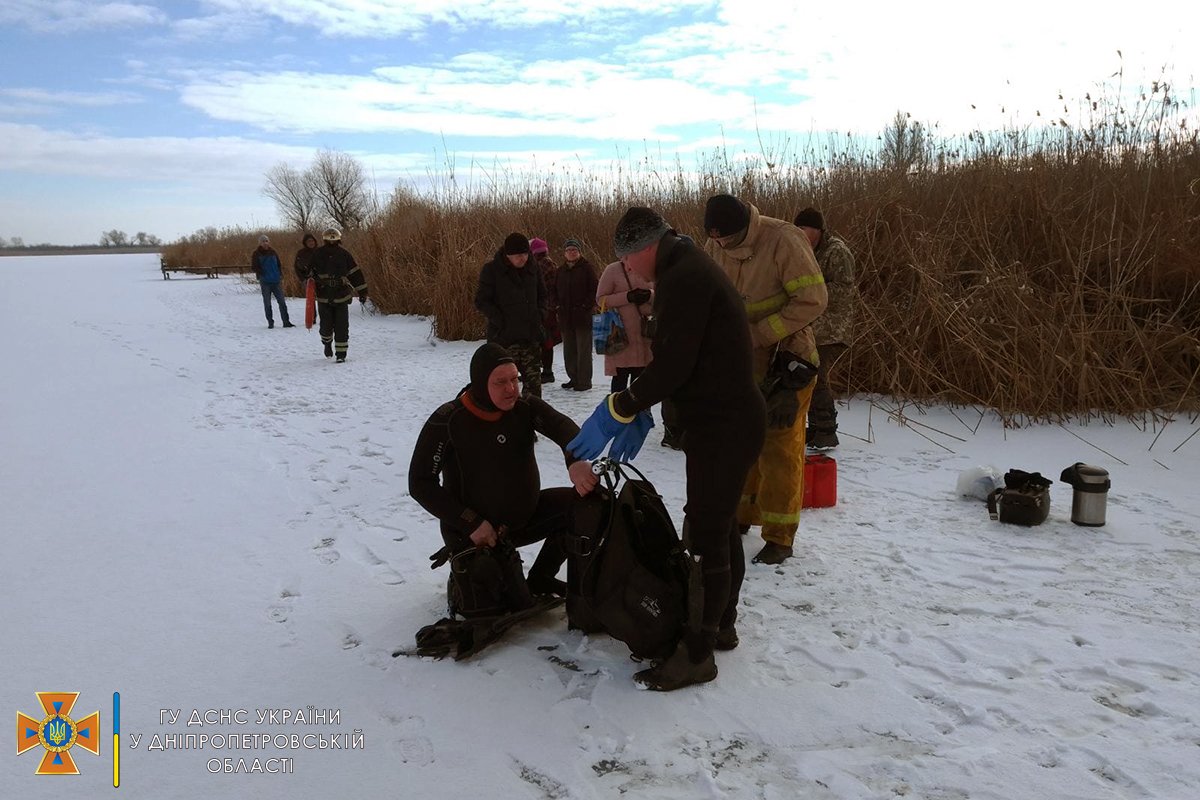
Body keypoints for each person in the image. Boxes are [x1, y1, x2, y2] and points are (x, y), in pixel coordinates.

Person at [569, 207, 766, 692]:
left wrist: (625, 404)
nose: (630, 271)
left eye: (629, 261)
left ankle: (697, 652)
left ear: (645, 247)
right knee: (712, 527)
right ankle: (720, 624)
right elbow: (687, 358)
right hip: (721, 421)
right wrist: (644, 404)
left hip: (725, 426)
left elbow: (674, 364)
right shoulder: (686, 269)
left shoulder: (686, 278)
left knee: (705, 534)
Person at [409, 343, 598, 598]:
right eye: (500, 382)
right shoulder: (450, 420)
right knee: (503, 603)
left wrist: (574, 460)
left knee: (590, 505)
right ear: (480, 383)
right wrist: (472, 523)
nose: (511, 389)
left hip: (523, 519)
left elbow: (562, 427)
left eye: (514, 379)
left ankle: (542, 577)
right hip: (474, 534)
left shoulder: (524, 406)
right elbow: (420, 483)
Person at [703, 194, 828, 565]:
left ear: (745, 227)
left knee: (779, 448)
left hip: (787, 363)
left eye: (728, 240)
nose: (721, 246)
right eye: (717, 241)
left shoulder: (784, 239)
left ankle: (779, 535)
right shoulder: (714, 243)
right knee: (740, 441)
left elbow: (813, 299)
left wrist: (757, 334)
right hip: (741, 366)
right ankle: (741, 516)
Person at [794, 207, 858, 450]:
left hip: (832, 328)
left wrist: (809, 294)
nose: (800, 233)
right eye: (797, 229)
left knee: (816, 377)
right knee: (808, 375)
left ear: (818, 230)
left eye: (804, 229)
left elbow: (844, 291)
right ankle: (818, 428)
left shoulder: (837, 252)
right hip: (812, 326)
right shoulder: (806, 250)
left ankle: (827, 432)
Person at [475, 233, 545, 398]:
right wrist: (500, 320)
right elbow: (481, 301)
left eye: (525, 254)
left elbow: (543, 296)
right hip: (504, 339)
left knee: (534, 387)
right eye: (518, 256)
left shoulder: (534, 268)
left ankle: (532, 419)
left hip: (530, 336)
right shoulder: (492, 270)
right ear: (508, 255)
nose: (522, 259)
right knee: (504, 387)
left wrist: (540, 314)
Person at [307, 227, 368, 362]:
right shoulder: (317, 254)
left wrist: (363, 291)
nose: (332, 242)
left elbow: (355, 273)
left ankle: (341, 354)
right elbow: (308, 273)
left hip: (341, 295)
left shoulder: (345, 254)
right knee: (326, 327)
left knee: (342, 326)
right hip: (324, 295)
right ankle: (327, 343)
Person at [595, 258, 654, 393]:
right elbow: (601, 299)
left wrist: (649, 295)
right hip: (620, 336)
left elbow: (662, 296)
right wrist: (627, 297)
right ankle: (616, 413)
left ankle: (642, 414)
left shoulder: (649, 266)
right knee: (620, 382)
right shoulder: (613, 270)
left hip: (644, 334)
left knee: (642, 383)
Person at [555, 238, 598, 391]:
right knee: (569, 350)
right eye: (568, 250)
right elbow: (553, 291)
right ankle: (573, 377)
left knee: (583, 351)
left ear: (579, 252)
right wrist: (557, 306)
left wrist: (586, 306)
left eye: (574, 250)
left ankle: (584, 381)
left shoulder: (587, 268)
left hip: (582, 316)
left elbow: (594, 290)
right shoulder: (560, 271)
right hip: (566, 317)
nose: (571, 252)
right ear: (564, 253)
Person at [530, 238, 560, 384]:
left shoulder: (540, 265)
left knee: (543, 340)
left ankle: (546, 372)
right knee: (545, 340)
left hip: (544, 309)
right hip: (550, 308)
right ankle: (544, 371)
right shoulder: (549, 263)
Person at [250, 234, 294, 329]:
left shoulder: (273, 252)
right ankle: (270, 322)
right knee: (267, 303)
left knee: (282, 302)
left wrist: (279, 274)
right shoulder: (256, 253)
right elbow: (254, 267)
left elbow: (278, 264)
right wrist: (262, 272)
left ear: (269, 242)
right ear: (260, 243)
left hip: (276, 280)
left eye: (266, 241)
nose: (265, 243)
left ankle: (286, 321)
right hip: (265, 281)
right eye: (263, 241)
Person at [292, 231, 320, 324]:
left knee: (322, 298)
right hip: (308, 279)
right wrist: (302, 279)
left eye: (312, 241)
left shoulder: (320, 251)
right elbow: (297, 267)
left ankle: (325, 316)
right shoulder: (301, 253)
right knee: (311, 299)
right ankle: (312, 317)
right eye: (309, 241)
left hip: (320, 278)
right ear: (305, 243)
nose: (311, 243)